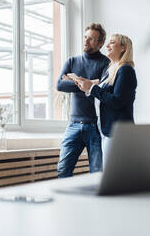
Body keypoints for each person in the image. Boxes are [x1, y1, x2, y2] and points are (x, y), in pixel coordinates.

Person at [56, 23, 110, 178]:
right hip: (73, 125)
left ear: (100, 43)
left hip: (95, 126)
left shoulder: (106, 64)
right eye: (85, 37)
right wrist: (89, 83)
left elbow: (103, 88)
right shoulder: (72, 61)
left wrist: (75, 81)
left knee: (97, 174)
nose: (86, 41)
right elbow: (60, 85)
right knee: (63, 170)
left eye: (92, 39)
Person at [75, 34, 137, 166]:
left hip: (118, 134)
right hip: (106, 131)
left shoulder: (126, 70)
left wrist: (92, 88)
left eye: (112, 42)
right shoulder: (111, 71)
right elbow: (103, 95)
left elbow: (117, 101)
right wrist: (88, 86)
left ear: (123, 48)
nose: (107, 46)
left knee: (115, 175)